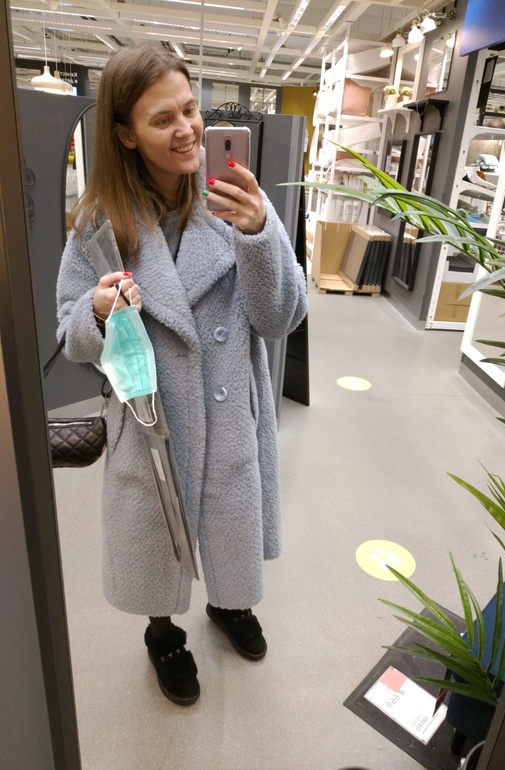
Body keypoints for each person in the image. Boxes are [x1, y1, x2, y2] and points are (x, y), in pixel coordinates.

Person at [56, 44, 308, 707]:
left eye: (191, 110)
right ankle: (163, 630)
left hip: (227, 416)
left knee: (228, 525)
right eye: (162, 119)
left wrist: (259, 236)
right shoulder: (98, 226)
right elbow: (69, 332)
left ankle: (228, 603)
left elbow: (282, 317)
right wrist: (97, 310)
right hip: (151, 421)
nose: (187, 130)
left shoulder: (240, 203)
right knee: (154, 535)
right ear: (125, 134)